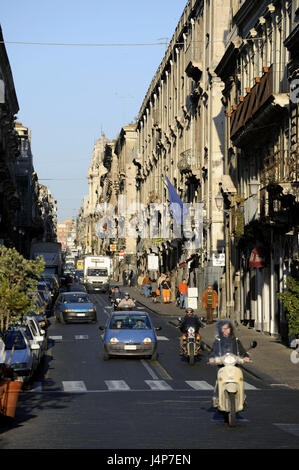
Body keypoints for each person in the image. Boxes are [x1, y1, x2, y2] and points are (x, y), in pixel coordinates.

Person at [208, 319, 251, 406]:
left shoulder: (235, 340)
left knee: (240, 378)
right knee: (218, 379)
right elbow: (213, 351)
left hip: (234, 364)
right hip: (222, 365)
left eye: (227, 328)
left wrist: (246, 357)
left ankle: (242, 397)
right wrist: (212, 358)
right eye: (223, 328)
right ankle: (216, 397)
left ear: (231, 329)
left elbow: (242, 351)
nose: (226, 330)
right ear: (220, 330)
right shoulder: (218, 341)